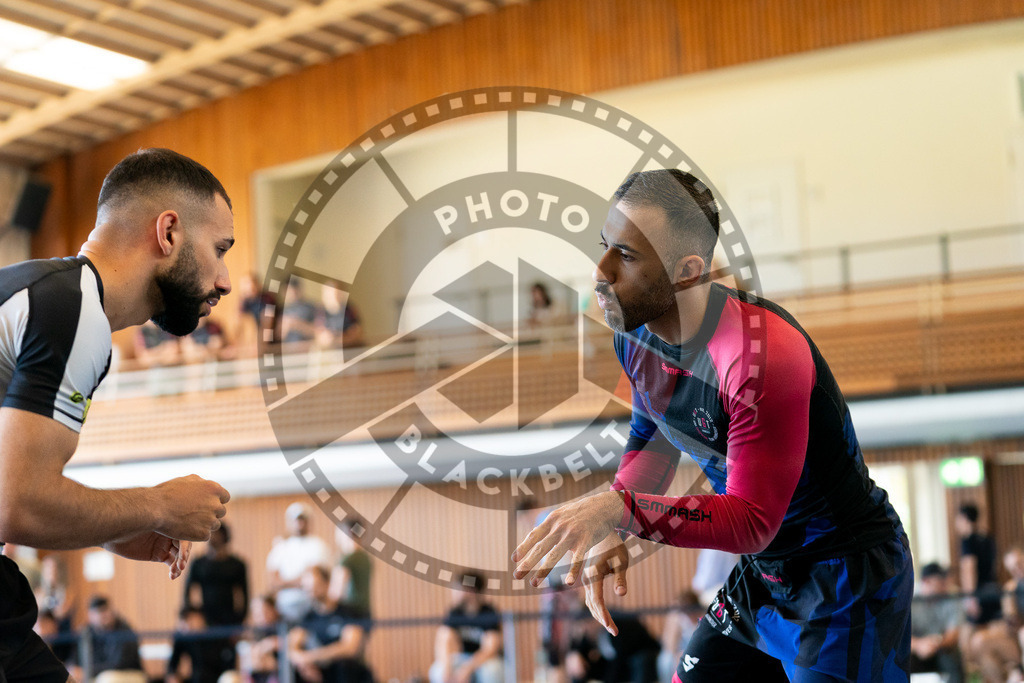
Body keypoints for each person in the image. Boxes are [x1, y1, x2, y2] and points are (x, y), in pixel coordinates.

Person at [511, 169, 913, 682]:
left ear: (687, 270)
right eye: (604, 246)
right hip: (766, 575)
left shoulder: (758, 357)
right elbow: (650, 439)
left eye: (627, 256)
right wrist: (614, 519)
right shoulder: (633, 337)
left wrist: (619, 507)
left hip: (845, 576)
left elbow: (751, 521)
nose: (601, 270)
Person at [0, 147, 233, 683]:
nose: (223, 281)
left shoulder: (41, 292)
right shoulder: (72, 310)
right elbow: (19, 504)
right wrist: (157, 506)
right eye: (219, 250)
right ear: (169, 232)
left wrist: (111, 527)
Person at [287, 565, 373, 683]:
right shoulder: (307, 618)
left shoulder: (348, 613)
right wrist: (305, 665)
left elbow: (349, 648)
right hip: (318, 673)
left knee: (344, 665)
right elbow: (292, 648)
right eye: (307, 588)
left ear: (327, 583)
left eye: (315, 586)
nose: (311, 591)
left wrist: (311, 657)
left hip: (345, 673)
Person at [183, 522, 248, 677]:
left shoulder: (237, 565)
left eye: (218, 534)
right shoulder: (199, 564)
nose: (214, 538)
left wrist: (238, 625)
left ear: (225, 537)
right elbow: (187, 594)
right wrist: (192, 618)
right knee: (202, 670)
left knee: (228, 671)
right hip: (205, 625)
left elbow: (245, 597)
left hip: (228, 625)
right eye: (211, 534)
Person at [429, 572, 503, 683]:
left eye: (458, 589)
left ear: (470, 591)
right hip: (462, 658)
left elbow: (490, 649)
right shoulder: (454, 613)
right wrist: (447, 667)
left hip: (483, 661)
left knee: (492, 671)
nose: (454, 592)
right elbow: (443, 640)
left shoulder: (488, 613)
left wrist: (467, 668)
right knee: (437, 671)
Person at [266, 503, 330, 623]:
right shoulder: (280, 547)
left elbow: (317, 579)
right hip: (284, 608)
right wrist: (302, 580)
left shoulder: (318, 546)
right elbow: (273, 583)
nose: (300, 524)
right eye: (296, 520)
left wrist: (285, 582)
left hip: (311, 607)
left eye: (303, 520)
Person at [910, 562, 963, 683]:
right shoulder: (910, 599)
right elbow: (900, 636)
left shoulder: (951, 596)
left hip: (941, 646)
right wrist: (919, 645)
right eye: (939, 580)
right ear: (926, 581)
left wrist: (936, 642)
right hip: (916, 648)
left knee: (951, 658)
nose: (944, 583)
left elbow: (953, 634)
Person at [69, 595, 144, 682]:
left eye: (105, 610)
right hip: (96, 674)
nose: (102, 615)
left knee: (108, 679)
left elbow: (118, 664)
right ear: (90, 615)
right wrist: (74, 670)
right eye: (97, 612)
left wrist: (88, 671)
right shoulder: (87, 633)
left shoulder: (123, 630)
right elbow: (75, 659)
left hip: (129, 673)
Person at [167, 606, 231, 683]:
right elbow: (172, 665)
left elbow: (229, 664)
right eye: (186, 621)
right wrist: (173, 676)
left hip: (219, 678)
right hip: (196, 679)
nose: (189, 625)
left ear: (200, 617)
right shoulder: (187, 638)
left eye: (191, 620)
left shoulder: (216, 635)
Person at [657, 590, 705, 683]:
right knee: (667, 659)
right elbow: (669, 646)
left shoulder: (703, 616)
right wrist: (674, 620)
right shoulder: (678, 619)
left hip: (695, 653)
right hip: (677, 653)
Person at [328, 520, 372, 618]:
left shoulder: (346, 560)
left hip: (349, 614)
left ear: (346, 532)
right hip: (365, 612)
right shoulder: (366, 557)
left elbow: (336, 593)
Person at [316, 285, 364, 349]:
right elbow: (319, 334)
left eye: (336, 294)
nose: (333, 297)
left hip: (351, 348)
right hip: (332, 349)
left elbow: (357, 332)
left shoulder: (349, 310)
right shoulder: (321, 311)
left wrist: (340, 339)